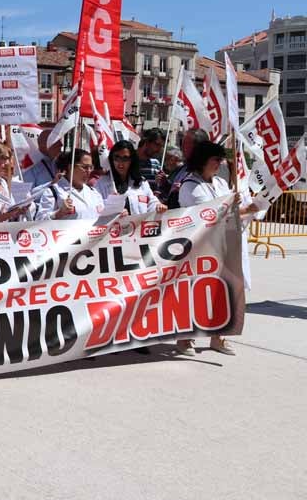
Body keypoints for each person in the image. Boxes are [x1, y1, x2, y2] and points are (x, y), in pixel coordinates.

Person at [176, 140, 261, 357]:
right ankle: (185, 338)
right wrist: (240, 210)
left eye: (220, 160)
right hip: (201, 247)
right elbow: (209, 215)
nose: (219, 164)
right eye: (215, 159)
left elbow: (229, 210)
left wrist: (243, 207)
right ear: (203, 160)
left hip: (225, 246)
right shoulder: (190, 186)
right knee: (196, 292)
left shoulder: (221, 183)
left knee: (222, 293)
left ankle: (218, 337)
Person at [95, 141, 167, 215]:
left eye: (125, 158)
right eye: (117, 157)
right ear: (111, 159)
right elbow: (96, 207)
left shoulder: (141, 182)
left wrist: (158, 206)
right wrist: (113, 212)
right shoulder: (101, 183)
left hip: (137, 225)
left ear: (132, 160)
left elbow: (152, 202)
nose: (120, 163)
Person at [36, 149, 106, 221]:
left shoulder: (93, 193)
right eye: (84, 167)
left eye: (91, 167)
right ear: (70, 167)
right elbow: (39, 221)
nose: (89, 171)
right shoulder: (54, 191)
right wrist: (59, 213)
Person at [166, 128, 210, 208]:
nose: (182, 147)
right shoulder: (181, 169)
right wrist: (165, 184)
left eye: (186, 143)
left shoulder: (208, 170)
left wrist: (184, 189)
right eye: (182, 143)